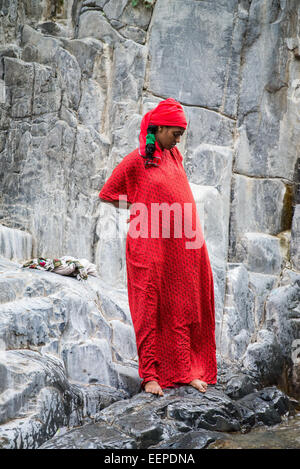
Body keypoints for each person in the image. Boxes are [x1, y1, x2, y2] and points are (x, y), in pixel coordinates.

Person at [99, 98, 217, 397]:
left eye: (181, 134)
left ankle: (184, 370)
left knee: (182, 306)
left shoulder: (173, 155)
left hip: (181, 245)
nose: (179, 139)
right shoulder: (137, 159)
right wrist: (142, 206)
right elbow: (108, 194)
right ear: (160, 128)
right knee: (149, 305)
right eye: (175, 133)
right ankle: (151, 375)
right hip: (149, 245)